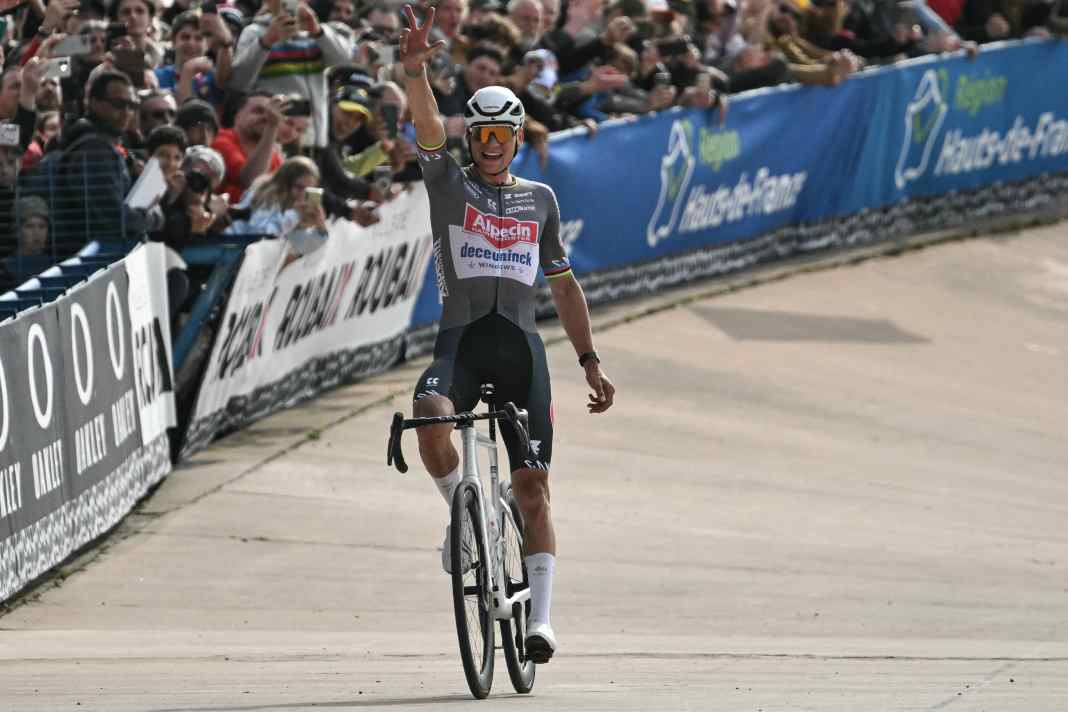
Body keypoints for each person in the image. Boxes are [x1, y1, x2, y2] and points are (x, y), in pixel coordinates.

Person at [399, 3, 616, 665]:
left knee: (533, 491)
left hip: (522, 350)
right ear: (472, 140)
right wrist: (416, 73)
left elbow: (564, 286)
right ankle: (458, 514)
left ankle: (542, 622)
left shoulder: (541, 200)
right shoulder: (448, 186)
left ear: (517, 138)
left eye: (502, 135)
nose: (490, 145)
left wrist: (588, 359)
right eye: (482, 135)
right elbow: (429, 127)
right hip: (461, 342)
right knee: (429, 413)